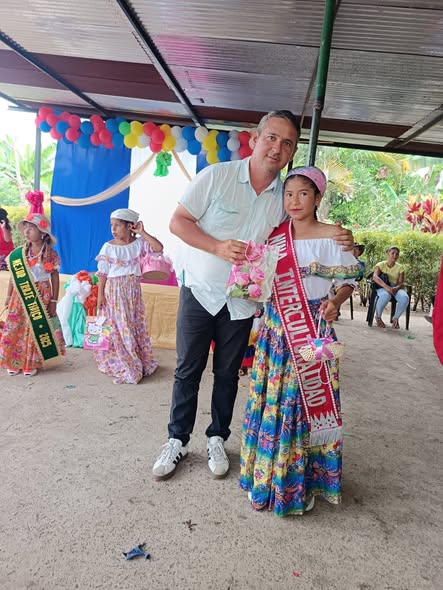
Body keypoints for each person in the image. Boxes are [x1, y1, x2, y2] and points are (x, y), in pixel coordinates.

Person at [152, 110, 355, 481]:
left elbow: (307, 231)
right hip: (201, 291)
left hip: (243, 301)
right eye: (272, 138)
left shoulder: (286, 198)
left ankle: (217, 437)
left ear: (292, 152)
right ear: (255, 138)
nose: (277, 148)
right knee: (187, 370)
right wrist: (216, 246)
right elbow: (177, 222)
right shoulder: (217, 176)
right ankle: (176, 439)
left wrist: (341, 236)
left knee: (229, 373)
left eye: (287, 143)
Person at [239, 166, 359, 516]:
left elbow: (350, 280)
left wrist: (336, 302)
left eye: (303, 194)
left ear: (317, 198)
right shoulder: (274, 237)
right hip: (276, 331)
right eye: (288, 194)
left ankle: (302, 482)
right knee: (273, 401)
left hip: (317, 329)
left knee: (309, 405)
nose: (294, 201)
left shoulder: (335, 237)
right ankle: (266, 477)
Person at [94, 208, 162, 384]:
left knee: (133, 322)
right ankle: (126, 360)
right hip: (114, 290)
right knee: (118, 325)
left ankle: (137, 357)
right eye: (112, 225)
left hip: (133, 290)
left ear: (129, 226)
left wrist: (142, 232)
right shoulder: (108, 247)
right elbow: (102, 273)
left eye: (117, 225)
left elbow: (158, 248)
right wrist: (100, 295)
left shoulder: (139, 244)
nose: (113, 229)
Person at [0, 213, 65, 376]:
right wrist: (8, 296)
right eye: (25, 228)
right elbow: (14, 277)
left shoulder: (51, 255)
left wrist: (54, 300)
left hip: (41, 294)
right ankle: (14, 360)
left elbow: (55, 278)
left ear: (42, 232)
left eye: (31, 228)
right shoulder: (19, 253)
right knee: (16, 326)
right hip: (19, 295)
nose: (26, 232)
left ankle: (31, 362)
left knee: (34, 328)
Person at [373, 246, 409, 329]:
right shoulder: (380, 265)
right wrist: (386, 287)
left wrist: (395, 288)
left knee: (404, 297)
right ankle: (378, 317)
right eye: (392, 253)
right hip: (382, 287)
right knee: (385, 295)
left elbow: (401, 283)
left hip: (395, 288)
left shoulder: (400, 267)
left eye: (397, 254)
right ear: (388, 254)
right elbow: (375, 277)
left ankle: (395, 318)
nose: (394, 256)